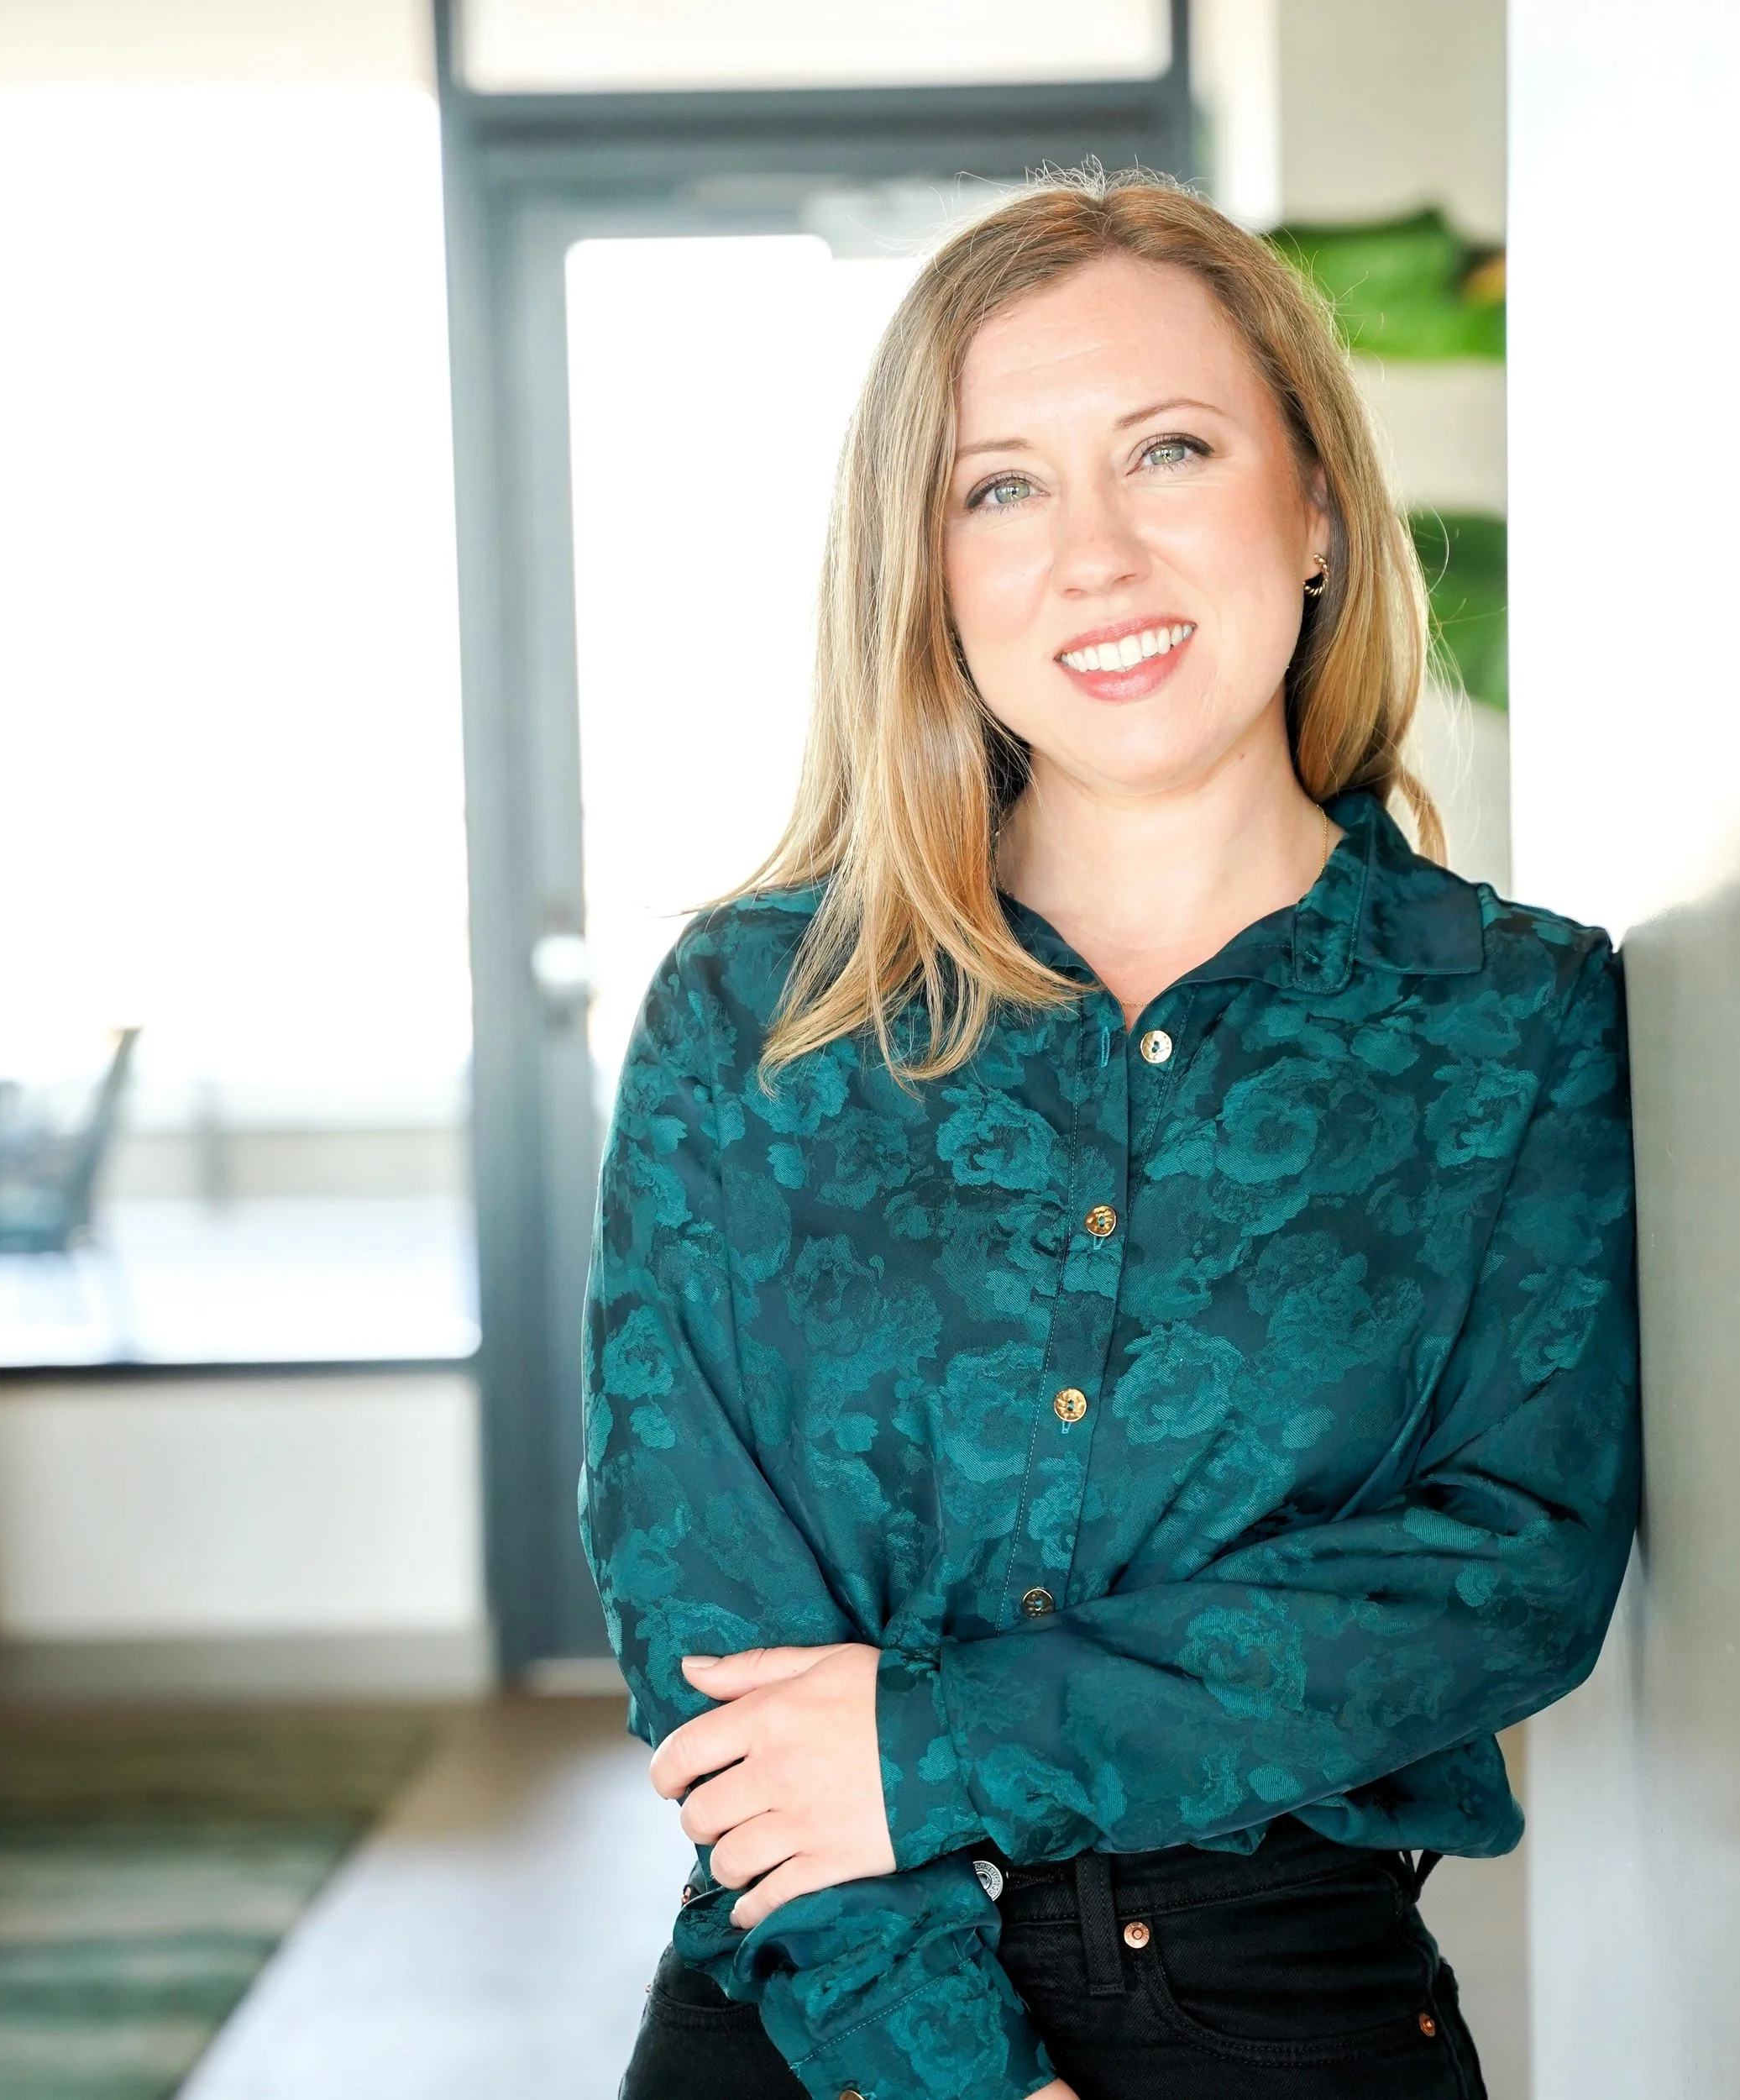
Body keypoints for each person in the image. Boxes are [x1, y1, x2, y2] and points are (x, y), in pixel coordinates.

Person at [584, 171, 1638, 2100]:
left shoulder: (1509, 1017)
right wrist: (950, 2071)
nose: (1093, 553)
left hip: (1296, 2021)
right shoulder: (750, 1015)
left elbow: (1507, 1564)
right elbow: (706, 1609)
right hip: (814, 2013)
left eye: (1167, 449)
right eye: (1000, 486)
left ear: (1310, 500)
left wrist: (940, 1740)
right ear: (927, 568)